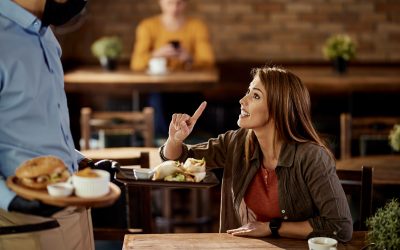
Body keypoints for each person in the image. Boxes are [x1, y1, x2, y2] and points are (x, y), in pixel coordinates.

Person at [159, 66, 353, 242]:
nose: (243, 100)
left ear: (278, 109)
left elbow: (340, 227)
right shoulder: (236, 142)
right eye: (248, 92)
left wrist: (271, 228)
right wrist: (175, 140)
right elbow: (179, 160)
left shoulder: (312, 157)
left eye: (256, 96)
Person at [0, 0, 118, 249]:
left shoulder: (45, 35)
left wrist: (80, 162)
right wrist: (10, 199)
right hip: (23, 223)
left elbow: (38, 122)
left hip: (74, 211)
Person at [130, 0, 215, 136]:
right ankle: (164, 142)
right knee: (159, 101)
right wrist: (156, 54)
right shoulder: (147, 26)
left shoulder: (197, 26)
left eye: (179, 3)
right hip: (158, 87)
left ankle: (187, 143)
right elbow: (136, 63)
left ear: (186, 3)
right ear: (160, 2)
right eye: (170, 3)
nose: (174, 8)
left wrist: (189, 58)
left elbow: (208, 60)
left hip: (189, 87)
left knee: (193, 104)